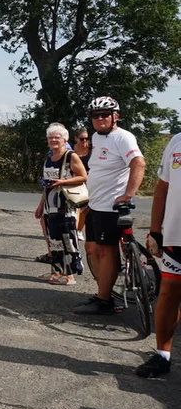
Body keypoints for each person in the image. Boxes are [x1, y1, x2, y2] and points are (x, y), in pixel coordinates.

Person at [73, 96, 146, 315]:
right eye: (96, 116)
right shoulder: (96, 136)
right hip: (96, 204)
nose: (100, 119)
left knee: (106, 251)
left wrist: (129, 194)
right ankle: (102, 291)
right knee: (91, 248)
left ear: (116, 116)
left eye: (105, 114)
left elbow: (138, 163)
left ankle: (104, 300)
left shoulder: (123, 137)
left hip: (110, 207)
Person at [137, 132, 181, 378]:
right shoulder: (176, 141)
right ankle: (163, 355)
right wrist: (155, 230)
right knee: (169, 293)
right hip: (175, 235)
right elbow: (162, 188)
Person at [33, 123, 87, 285]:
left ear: (65, 139)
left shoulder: (70, 156)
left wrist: (64, 181)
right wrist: (41, 205)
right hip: (51, 206)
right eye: (50, 138)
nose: (53, 140)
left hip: (65, 206)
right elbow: (46, 184)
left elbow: (83, 176)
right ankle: (56, 272)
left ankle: (69, 276)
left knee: (67, 239)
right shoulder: (49, 158)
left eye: (57, 137)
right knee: (54, 240)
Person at [72, 126, 92, 237]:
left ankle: (79, 230)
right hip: (76, 180)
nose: (84, 141)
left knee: (86, 208)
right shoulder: (71, 150)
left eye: (86, 138)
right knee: (77, 207)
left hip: (90, 180)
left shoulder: (92, 149)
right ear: (76, 138)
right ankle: (74, 230)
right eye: (82, 139)